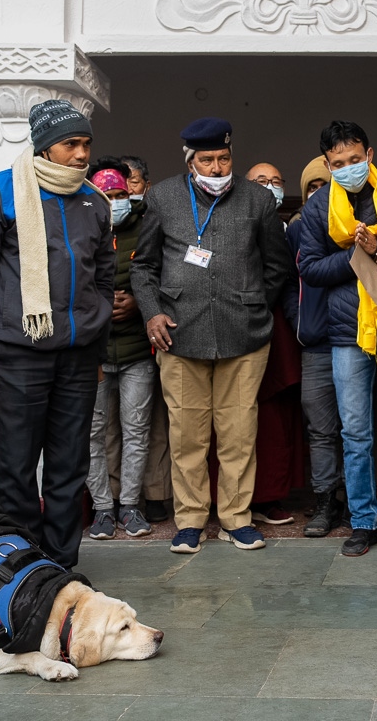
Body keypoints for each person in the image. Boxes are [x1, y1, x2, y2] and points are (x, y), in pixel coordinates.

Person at [0, 98, 115, 571]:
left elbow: (103, 278)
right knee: (16, 468)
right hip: (18, 354)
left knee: (69, 467)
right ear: (45, 146)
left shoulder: (94, 200)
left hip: (78, 357)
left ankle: (60, 568)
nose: (81, 154)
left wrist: (96, 346)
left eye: (86, 144)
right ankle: (24, 568)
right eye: (71, 144)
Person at [131, 118, 292, 553]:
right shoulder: (163, 197)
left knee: (239, 433)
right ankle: (190, 521)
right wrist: (153, 313)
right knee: (188, 435)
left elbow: (276, 264)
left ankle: (236, 519)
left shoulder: (257, 199)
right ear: (190, 162)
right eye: (207, 160)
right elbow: (143, 267)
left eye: (223, 158)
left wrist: (254, 304)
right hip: (180, 334)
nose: (217, 167)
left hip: (245, 336)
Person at [297, 120, 377, 557]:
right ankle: (363, 520)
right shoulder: (318, 208)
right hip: (346, 331)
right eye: (338, 163)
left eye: (355, 159)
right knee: (355, 433)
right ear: (327, 165)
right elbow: (309, 268)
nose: (347, 168)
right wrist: (355, 253)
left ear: (369, 155)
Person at [85, 164, 154, 540]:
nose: (114, 202)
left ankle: (129, 506)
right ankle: (102, 509)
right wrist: (101, 305)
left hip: (137, 350)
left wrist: (139, 305)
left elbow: (161, 276)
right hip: (92, 352)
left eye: (120, 195)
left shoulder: (146, 227)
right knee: (92, 433)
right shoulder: (79, 225)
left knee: (136, 430)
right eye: (106, 196)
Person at [244, 162, 306, 525]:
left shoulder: (292, 228)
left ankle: (270, 496)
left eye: (275, 181)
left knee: (277, 420)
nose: (269, 187)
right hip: (242, 328)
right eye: (260, 181)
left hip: (281, 329)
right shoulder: (235, 223)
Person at [287, 157, 345, 537]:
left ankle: (358, 500)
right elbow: (287, 282)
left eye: (326, 185)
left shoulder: (356, 225)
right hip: (316, 345)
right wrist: (300, 320)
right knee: (321, 430)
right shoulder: (296, 231)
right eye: (312, 187)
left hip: (357, 340)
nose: (319, 192)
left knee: (360, 429)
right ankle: (325, 501)